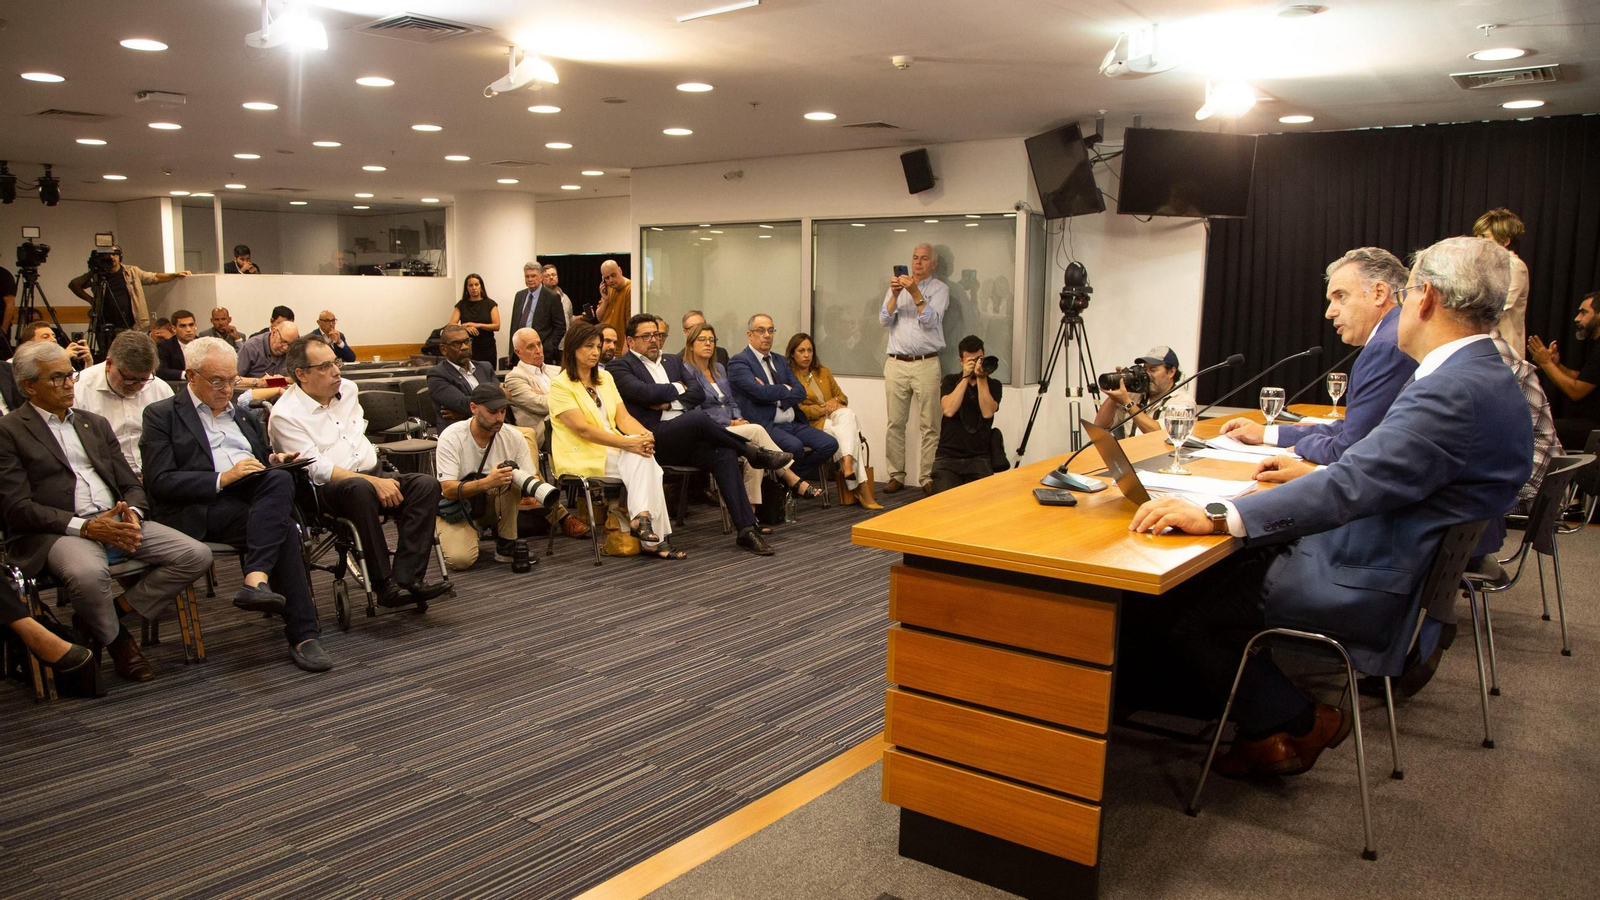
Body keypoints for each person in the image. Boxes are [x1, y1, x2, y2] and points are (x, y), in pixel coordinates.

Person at [1123, 236, 1532, 778]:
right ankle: (1266, 722)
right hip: (1400, 564)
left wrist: (1219, 513)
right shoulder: (1490, 376)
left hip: (1369, 578)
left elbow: (1351, 482)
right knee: (1229, 568)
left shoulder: (1452, 389)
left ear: (1425, 297)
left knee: (1183, 605)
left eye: (1406, 295)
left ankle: (1296, 718)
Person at [0, 341, 212, 682]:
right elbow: (17, 507)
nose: (70, 384)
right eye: (57, 378)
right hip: (58, 531)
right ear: (28, 386)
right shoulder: (9, 431)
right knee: (88, 576)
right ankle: (118, 641)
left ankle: (107, 613)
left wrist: (134, 514)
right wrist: (85, 527)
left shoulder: (92, 423)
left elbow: (130, 484)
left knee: (195, 555)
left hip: (117, 519)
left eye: (70, 375)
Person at [140, 336, 332, 673]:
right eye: (217, 381)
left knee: (279, 478)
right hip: (199, 507)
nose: (227, 389)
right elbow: (160, 481)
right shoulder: (162, 415)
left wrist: (273, 458)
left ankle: (256, 582)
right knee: (283, 526)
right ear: (190, 376)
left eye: (232, 380)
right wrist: (222, 478)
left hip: (251, 502)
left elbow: (255, 461)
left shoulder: (242, 415)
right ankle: (301, 632)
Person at [267, 335, 451, 606]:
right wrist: (373, 482)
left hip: (372, 472)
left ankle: (407, 578)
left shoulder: (348, 390)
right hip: (326, 490)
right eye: (326, 366)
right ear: (301, 374)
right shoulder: (286, 415)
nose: (336, 371)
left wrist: (378, 478)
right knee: (360, 488)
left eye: (336, 362)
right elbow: (317, 469)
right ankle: (383, 584)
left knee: (426, 485)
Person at [1218, 248, 1417, 464]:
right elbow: (1357, 427)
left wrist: (1302, 446)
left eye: (1340, 296)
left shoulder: (1386, 346)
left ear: (1379, 293)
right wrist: (1267, 434)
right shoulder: (1394, 334)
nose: (1329, 312)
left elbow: (1351, 447)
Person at [608, 314, 783, 555]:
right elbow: (642, 393)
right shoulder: (619, 366)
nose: (654, 341)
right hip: (651, 438)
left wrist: (669, 403)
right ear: (630, 340)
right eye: (646, 336)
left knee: (723, 453)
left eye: (657, 335)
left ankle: (746, 530)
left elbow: (698, 393)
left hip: (685, 438)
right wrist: (679, 389)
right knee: (699, 417)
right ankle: (751, 451)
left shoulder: (671, 361)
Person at [550, 321, 682, 560]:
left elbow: (623, 418)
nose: (595, 352)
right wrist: (630, 444)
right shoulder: (560, 385)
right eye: (589, 346)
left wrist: (645, 436)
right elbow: (583, 430)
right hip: (581, 453)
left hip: (614, 449)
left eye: (598, 346)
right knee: (645, 461)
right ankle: (656, 540)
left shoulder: (605, 377)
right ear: (572, 349)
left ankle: (642, 520)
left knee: (645, 456)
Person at [682, 322, 809, 507]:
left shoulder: (719, 368)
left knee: (755, 453)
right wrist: (730, 423)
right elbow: (695, 411)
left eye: (711, 339)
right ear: (691, 344)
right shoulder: (685, 371)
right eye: (702, 339)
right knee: (756, 432)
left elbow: (732, 401)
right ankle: (791, 477)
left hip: (732, 427)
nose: (708, 343)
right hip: (709, 429)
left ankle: (751, 512)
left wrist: (738, 418)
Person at [435, 384, 548, 570]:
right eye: (492, 412)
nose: (499, 418)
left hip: (492, 503)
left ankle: (507, 543)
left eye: (503, 411)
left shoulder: (514, 436)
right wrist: (487, 483)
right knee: (460, 560)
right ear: (473, 408)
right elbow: (447, 490)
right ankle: (448, 530)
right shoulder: (451, 437)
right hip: (460, 507)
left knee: (512, 477)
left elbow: (530, 477)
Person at [727, 314, 837, 492]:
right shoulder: (739, 362)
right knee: (795, 447)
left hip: (792, 421)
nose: (767, 335)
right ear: (750, 334)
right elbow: (759, 393)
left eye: (770, 330)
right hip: (767, 424)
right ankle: (793, 484)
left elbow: (800, 392)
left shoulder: (780, 360)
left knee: (829, 444)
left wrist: (774, 394)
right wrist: (785, 389)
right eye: (761, 331)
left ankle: (790, 482)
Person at [503, 327, 591, 540]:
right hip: (541, 433)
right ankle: (563, 516)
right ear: (518, 352)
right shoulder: (515, 377)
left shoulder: (556, 370)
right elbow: (542, 406)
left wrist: (551, 396)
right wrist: (561, 397)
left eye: (539, 344)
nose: (538, 350)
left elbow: (585, 395)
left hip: (570, 425)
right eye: (530, 347)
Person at [880, 244, 947, 494]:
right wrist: (897, 295)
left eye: (924, 259)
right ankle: (895, 475)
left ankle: (927, 477)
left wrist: (914, 291)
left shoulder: (940, 289)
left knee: (930, 423)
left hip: (926, 362)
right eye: (915, 258)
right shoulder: (896, 288)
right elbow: (883, 320)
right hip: (896, 362)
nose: (918, 263)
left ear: (933, 264)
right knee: (894, 423)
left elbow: (930, 320)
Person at [787, 332, 879, 508]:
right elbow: (795, 409)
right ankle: (861, 488)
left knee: (848, 415)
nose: (806, 355)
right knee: (848, 435)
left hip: (833, 416)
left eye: (810, 350)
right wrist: (819, 410)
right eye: (801, 351)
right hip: (812, 423)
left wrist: (834, 401)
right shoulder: (790, 376)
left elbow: (842, 397)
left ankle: (846, 464)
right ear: (792, 353)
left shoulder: (823, 372)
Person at [72, 330, 174, 476]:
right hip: (104, 475)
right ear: (109, 364)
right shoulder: (79, 390)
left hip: (155, 473)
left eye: (144, 379)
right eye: (129, 378)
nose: (137, 385)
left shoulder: (159, 388)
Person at [929, 335, 1003, 495]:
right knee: (943, 502)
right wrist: (965, 377)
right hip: (948, 458)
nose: (976, 363)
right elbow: (949, 409)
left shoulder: (994, 385)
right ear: (961, 361)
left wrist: (981, 378)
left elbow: (987, 412)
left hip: (979, 458)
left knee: (981, 505)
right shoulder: (950, 380)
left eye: (979, 359)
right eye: (971, 360)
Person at [1528, 292, 1600, 452]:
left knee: (1537, 429)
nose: (1577, 318)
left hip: (1594, 427)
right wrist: (1557, 366)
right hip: (1587, 423)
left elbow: (1576, 391)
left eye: (1583, 312)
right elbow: (1584, 380)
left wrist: (1546, 363)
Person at [68, 244, 190, 338]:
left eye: (114, 254)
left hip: (126, 324)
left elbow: (154, 277)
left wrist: (174, 274)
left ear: (120, 256)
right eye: (108, 255)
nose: (111, 257)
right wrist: (91, 300)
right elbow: (74, 284)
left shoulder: (131, 272)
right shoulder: (97, 274)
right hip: (102, 324)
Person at [1092, 346, 1186, 438]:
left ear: (1171, 372)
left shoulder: (1183, 401)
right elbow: (1100, 426)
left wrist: (1128, 403)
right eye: (1145, 369)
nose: (1147, 374)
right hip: (1129, 452)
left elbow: (1159, 435)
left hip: (1158, 453)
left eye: (1153, 369)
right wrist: (1115, 393)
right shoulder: (1135, 394)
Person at [1473, 208, 1528, 360]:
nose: (1478, 241)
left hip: (1503, 349)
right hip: (1482, 345)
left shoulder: (1515, 266)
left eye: (1484, 236)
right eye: (1477, 236)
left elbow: (1500, 305)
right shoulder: (1483, 265)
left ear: (1505, 241)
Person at [427, 323, 496, 430]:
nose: (464, 347)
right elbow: (462, 404)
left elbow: (502, 398)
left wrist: (466, 414)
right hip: (459, 431)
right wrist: (492, 402)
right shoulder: (437, 374)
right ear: (443, 349)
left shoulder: (485, 367)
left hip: (492, 427)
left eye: (467, 341)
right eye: (456, 344)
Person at [449, 273, 500, 365]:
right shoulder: (461, 305)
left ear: (481, 286)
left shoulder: (490, 304)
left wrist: (478, 325)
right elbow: (451, 324)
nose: (474, 288)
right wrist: (464, 327)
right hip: (468, 347)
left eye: (476, 284)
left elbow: (496, 326)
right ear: (467, 288)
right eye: (471, 285)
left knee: (487, 373)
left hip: (487, 347)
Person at [236, 320, 300, 386]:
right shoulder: (250, 347)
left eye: (290, 344)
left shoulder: (294, 349)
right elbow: (232, 379)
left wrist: (285, 379)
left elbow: (305, 378)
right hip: (253, 394)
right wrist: (257, 382)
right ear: (274, 333)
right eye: (283, 342)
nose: (285, 348)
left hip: (282, 394)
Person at [156, 308, 199, 380]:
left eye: (191, 325)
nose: (188, 330)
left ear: (195, 325)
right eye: (183, 326)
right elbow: (161, 371)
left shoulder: (205, 344)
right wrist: (186, 375)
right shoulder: (164, 347)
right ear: (174, 329)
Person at [596, 260, 632, 339]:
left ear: (620, 270)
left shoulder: (630, 289)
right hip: (605, 342)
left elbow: (630, 324)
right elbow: (599, 317)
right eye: (607, 278)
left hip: (621, 343)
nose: (611, 280)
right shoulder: (608, 289)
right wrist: (605, 301)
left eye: (613, 275)